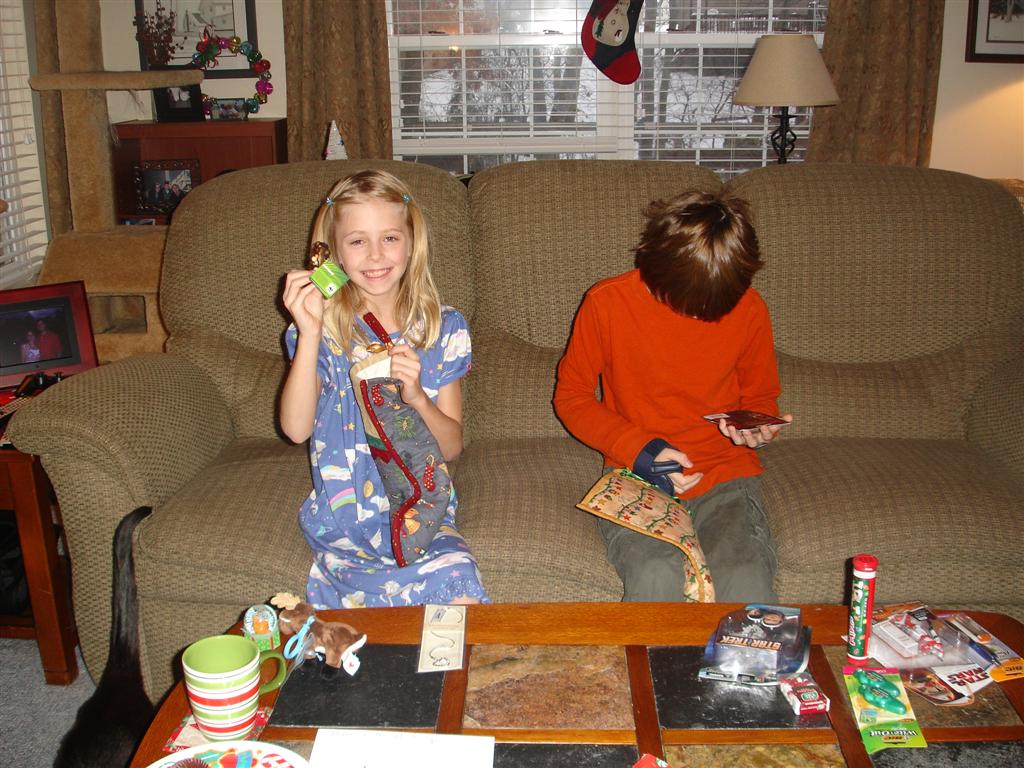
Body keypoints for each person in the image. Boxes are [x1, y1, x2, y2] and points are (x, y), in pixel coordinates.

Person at [553, 190, 792, 604]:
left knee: (745, 576)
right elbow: (571, 398)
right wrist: (642, 450)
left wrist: (755, 426)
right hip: (636, 472)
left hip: (723, 473)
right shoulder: (607, 303)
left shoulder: (751, 308)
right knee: (654, 574)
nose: (699, 317)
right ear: (653, 265)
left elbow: (760, 395)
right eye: (687, 305)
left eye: (715, 308)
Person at [280, 169, 487, 610]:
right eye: (357, 241)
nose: (375, 255)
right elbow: (296, 429)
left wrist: (417, 398)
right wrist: (310, 332)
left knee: (460, 582)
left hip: (421, 514)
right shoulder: (322, 332)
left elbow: (451, 447)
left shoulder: (443, 328)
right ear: (332, 253)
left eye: (390, 238)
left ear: (412, 244)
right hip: (345, 518)